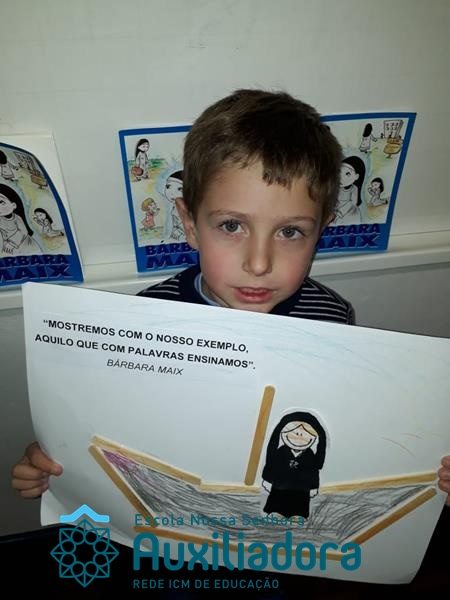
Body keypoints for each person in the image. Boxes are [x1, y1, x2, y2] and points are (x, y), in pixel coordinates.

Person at [11, 89, 450, 507]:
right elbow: (109, 422)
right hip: (173, 516)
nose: (258, 263)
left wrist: (426, 474)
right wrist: (57, 460)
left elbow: (342, 425)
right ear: (189, 224)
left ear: (321, 231)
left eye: (290, 231)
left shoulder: (332, 317)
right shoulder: (146, 319)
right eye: (232, 226)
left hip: (275, 514)